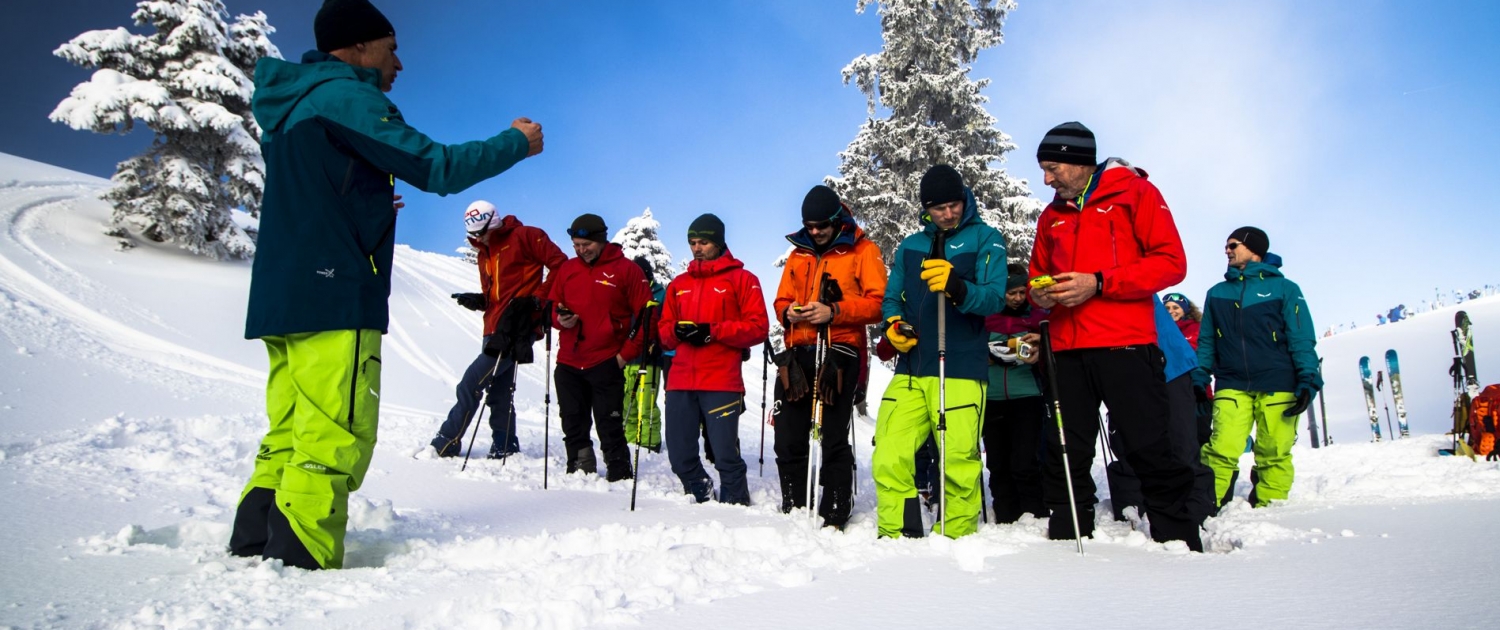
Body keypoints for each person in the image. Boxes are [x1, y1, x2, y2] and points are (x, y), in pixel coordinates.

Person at [231, 0, 545, 570]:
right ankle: (301, 556)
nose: (399, 61)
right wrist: (515, 142)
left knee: (292, 424)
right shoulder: (345, 96)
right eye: (391, 47)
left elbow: (318, 189)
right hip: (333, 291)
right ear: (355, 47)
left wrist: (366, 202)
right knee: (336, 425)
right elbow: (437, 167)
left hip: (284, 295)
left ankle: (256, 537)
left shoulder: (290, 107)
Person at [1027, 121, 1203, 550]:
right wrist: (1044, 295)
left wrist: (1100, 283)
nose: (1047, 179)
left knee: (1148, 444)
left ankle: (1177, 537)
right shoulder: (1051, 216)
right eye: (1044, 170)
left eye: (1053, 168)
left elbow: (1171, 263)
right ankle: (1069, 536)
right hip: (1067, 350)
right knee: (1066, 448)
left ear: (1079, 160)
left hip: (1126, 344)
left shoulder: (1136, 193)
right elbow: (1036, 278)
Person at [873, 165, 1006, 539]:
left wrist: (958, 288)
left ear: (964, 200)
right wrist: (894, 325)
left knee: (958, 460)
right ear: (925, 209)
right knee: (889, 450)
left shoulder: (986, 238)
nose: (948, 214)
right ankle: (897, 532)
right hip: (912, 368)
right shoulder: (911, 246)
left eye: (954, 204)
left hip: (961, 366)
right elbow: (891, 298)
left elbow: (995, 298)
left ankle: (957, 537)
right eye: (938, 208)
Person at [771, 185, 886, 529]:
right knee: (788, 433)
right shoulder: (798, 255)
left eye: (822, 225)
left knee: (833, 432)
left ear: (837, 220)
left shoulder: (863, 250)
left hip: (840, 351)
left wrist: (833, 311)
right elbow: (780, 300)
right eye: (810, 226)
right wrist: (787, 312)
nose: (816, 232)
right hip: (797, 352)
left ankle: (836, 508)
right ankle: (795, 503)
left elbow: (878, 304)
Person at [1195, 227, 1321, 508]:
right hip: (1231, 382)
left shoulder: (1285, 289)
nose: (1227, 251)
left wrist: (1308, 378)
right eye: (1226, 247)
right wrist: (1199, 377)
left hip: (1279, 383)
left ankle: (1271, 510)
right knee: (1221, 449)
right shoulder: (1217, 293)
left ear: (1254, 249)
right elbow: (1206, 341)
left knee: (1274, 451)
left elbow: (1301, 336)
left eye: (1232, 245)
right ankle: (1203, 510)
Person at [430, 202, 565, 458]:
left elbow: (561, 265)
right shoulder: (484, 253)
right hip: (493, 328)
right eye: (474, 235)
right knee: (499, 392)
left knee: (470, 383)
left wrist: (537, 299)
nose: (478, 238)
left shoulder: (526, 236)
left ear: (493, 221)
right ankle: (504, 446)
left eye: (481, 232)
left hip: (517, 327)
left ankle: (446, 441)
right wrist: (480, 300)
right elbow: (496, 295)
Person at [658, 214, 769, 504]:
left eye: (704, 242)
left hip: (721, 380)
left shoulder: (743, 280)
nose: (697, 248)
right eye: (692, 243)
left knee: (724, 454)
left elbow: (758, 327)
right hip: (681, 379)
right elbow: (663, 333)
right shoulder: (678, 284)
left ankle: (735, 504)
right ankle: (699, 490)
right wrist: (676, 331)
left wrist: (712, 332)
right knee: (680, 454)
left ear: (718, 242)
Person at [548, 214, 652, 480]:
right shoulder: (568, 270)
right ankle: (580, 467)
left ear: (601, 240)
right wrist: (560, 319)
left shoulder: (627, 270)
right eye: (576, 245)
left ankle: (619, 472)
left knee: (610, 423)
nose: (581, 250)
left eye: (587, 245)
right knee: (572, 421)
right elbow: (552, 308)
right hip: (569, 360)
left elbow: (648, 317)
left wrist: (624, 356)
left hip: (606, 361)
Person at [981, 268, 1049, 523]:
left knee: (1025, 459)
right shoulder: (986, 318)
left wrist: (1040, 346)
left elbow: (1050, 349)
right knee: (997, 461)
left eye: (1022, 292)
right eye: (1012, 293)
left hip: (1027, 395)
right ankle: (1006, 513)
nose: (1018, 298)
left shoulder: (1037, 317)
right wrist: (987, 354)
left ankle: (1035, 511)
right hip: (993, 397)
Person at [622, 256, 667, 455]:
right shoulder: (626, 293)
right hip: (627, 357)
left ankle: (649, 442)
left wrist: (658, 343)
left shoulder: (659, 294)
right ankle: (631, 439)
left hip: (650, 359)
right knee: (626, 402)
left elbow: (665, 323)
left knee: (646, 403)